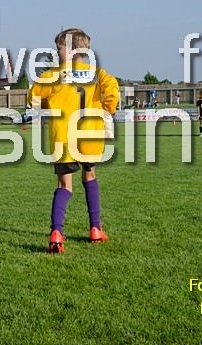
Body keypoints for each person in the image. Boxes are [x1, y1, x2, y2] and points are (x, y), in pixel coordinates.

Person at [28, 28, 119, 254]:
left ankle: (57, 233)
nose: (56, 52)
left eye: (58, 48)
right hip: (90, 135)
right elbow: (112, 92)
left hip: (63, 137)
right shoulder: (98, 73)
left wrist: (48, 105)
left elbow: (33, 99)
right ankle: (95, 228)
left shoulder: (53, 75)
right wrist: (107, 109)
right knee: (90, 176)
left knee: (64, 185)